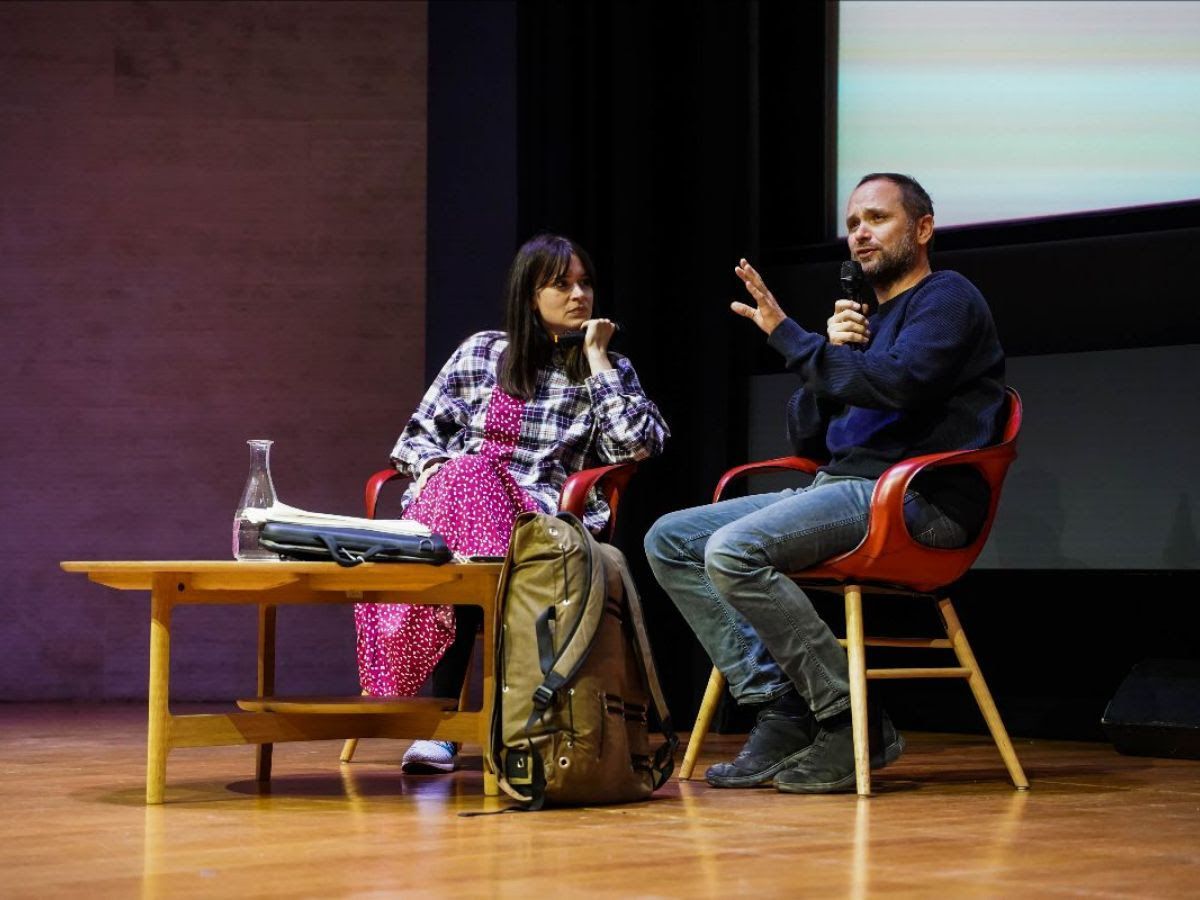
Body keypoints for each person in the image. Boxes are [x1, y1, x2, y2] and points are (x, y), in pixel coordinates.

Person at [644, 173, 1006, 793]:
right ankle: (783, 707)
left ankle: (848, 720)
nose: (860, 233)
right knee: (669, 539)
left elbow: (898, 384)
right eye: (852, 224)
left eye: (877, 218)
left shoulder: (947, 298)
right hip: (842, 490)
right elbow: (807, 439)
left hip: (916, 499)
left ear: (922, 229)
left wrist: (793, 337)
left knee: (733, 549)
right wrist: (829, 357)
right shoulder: (860, 324)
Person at [356, 233, 669, 773]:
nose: (579, 295)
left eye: (585, 283)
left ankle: (448, 725)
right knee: (468, 476)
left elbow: (638, 445)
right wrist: (440, 473)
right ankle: (464, 719)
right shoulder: (482, 353)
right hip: (452, 511)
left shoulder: (606, 369)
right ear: (530, 295)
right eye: (561, 284)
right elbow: (414, 438)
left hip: (540, 519)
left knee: (469, 503)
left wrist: (596, 360)